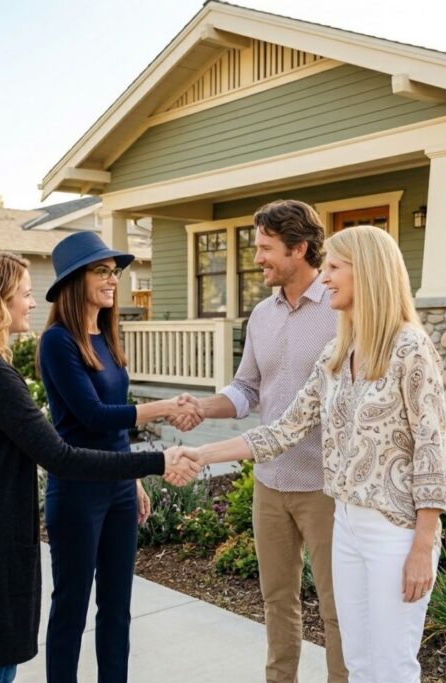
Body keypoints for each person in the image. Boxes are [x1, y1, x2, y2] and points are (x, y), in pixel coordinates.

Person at [183, 225, 446, 683]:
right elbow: (282, 429)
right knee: (359, 661)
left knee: (392, 666)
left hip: (394, 530)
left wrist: (423, 545)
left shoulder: (410, 347)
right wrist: (203, 454)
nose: (325, 278)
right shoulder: (337, 351)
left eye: (334, 268)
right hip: (345, 522)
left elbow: (431, 447)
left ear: (367, 272)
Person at [0, 249, 200, 683]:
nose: (32, 305)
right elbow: (60, 455)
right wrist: (158, 460)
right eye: (25, 295)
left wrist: (131, 473)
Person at [173, 199, 346, 682]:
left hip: (325, 486)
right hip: (270, 482)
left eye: (266, 248)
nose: (256, 259)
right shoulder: (261, 316)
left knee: (337, 608)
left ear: (300, 248)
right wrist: (201, 407)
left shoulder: (340, 309)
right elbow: (247, 388)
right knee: (276, 602)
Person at [37, 231, 203, 683]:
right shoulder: (57, 342)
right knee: (70, 607)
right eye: (103, 271)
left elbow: (113, 426)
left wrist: (131, 477)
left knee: (117, 607)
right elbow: (92, 416)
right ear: (76, 280)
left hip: (117, 488)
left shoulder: (107, 337)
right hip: (76, 490)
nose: (114, 281)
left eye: (115, 272)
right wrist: (165, 407)